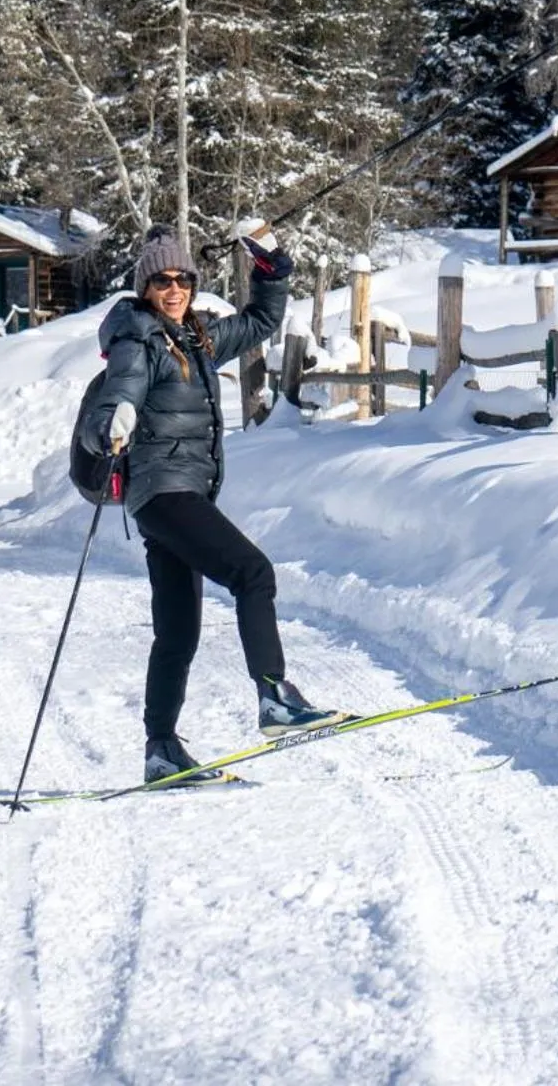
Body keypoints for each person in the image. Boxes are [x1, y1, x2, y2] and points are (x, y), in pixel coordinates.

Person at [81, 224, 351, 784]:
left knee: (177, 632)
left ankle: (161, 751)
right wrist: (116, 419)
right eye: (161, 279)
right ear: (144, 286)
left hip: (178, 494)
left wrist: (273, 268)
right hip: (165, 490)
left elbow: (259, 322)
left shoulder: (198, 338)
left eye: (182, 278)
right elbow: (123, 387)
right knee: (252, 572)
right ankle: (274, 695)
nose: (174, 288)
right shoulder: (138, 340)